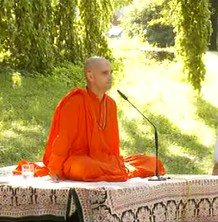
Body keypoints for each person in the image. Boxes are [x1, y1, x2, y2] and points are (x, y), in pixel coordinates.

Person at [13, 56, 165, 182]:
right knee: (86, 168)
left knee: (154, 163)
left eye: (111, 72)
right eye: (105, 73)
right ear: (91, 76)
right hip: (77, 159)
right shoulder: (75, 102)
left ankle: (115, 170)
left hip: (104, 160)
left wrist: (114, 162)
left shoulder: (110, 104)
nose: (110, 76)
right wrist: (54, 170)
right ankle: (115, 171)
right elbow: (63, 139)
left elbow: (112, 144)